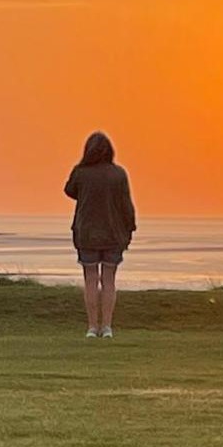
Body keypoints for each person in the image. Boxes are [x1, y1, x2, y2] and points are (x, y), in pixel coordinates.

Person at [64, 131, 137, 339]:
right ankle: (107, 327)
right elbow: (126, 205)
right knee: (109, 280)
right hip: (114, 233)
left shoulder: (81, 173)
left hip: (86, 233)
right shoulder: (118, 174)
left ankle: (91, 327)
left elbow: (69, 191)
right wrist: (130, 228)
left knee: (90, 280)